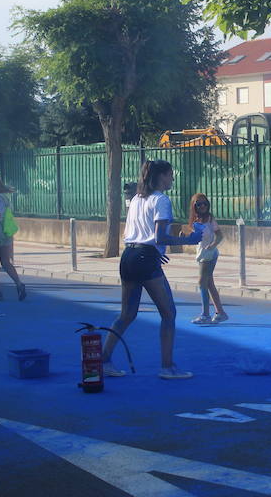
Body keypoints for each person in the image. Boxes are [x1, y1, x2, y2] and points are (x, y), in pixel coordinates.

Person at [101, 160, 203, 380]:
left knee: (127, 314)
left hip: (129, 256)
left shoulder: (138, 198)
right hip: (145, 258)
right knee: (169, 313)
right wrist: (191, 239)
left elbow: (142, 234)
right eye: (170, 175)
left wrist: (156, 250)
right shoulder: (162, 200)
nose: (172, 179)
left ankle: (104, 360)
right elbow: (159, 236)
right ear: (162, 177)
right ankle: (167, 367)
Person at [188, 193, 227, 325]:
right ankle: (220, 312)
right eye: (199, 204)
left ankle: (205, 315)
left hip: (209, 255)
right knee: (209, 284)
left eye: (205, 203)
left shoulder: (209, 219)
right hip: (201, 254)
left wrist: (212, 246)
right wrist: (185, 237)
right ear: (194, 206)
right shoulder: (195, 220)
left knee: (202, 283)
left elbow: (220, 235)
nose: (203, 206)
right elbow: (195, 239)